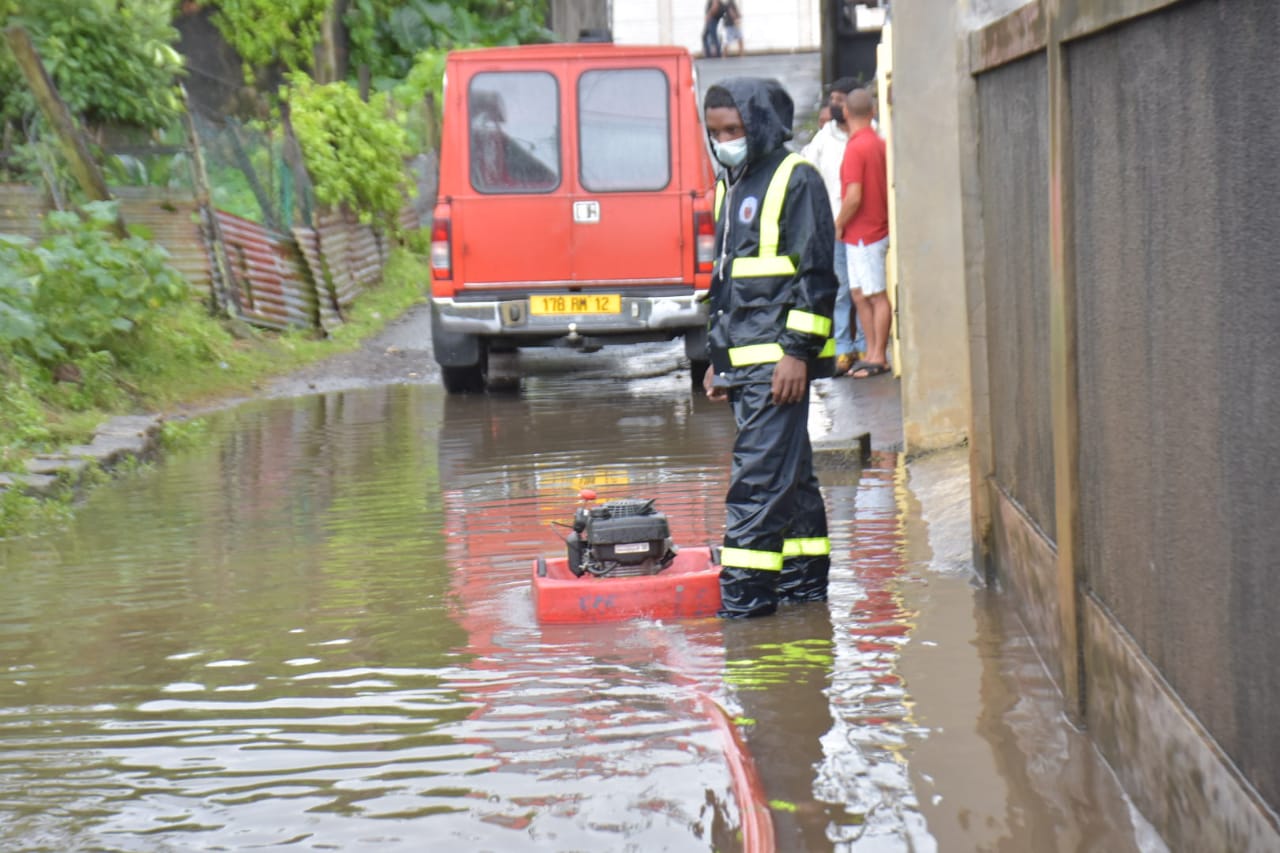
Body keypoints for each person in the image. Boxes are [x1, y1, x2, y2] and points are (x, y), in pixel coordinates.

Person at [701, 78, 837, 618]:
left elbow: (815, 272)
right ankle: (805, 597)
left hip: (778, 365)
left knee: (755, 486)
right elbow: (726, 284)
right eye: (714, 132)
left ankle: (743, 613)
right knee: (792, 482)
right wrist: (719, 361)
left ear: (759, 124)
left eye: (732, 130)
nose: (723, 140)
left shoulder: (794, 177)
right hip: (746, 365)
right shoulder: (730, 183)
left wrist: (797, 352)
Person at [801, 77, 865, 376]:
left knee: (863, 290)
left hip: (863, 227)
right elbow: (806, 169)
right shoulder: (824, 139)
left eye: (840, 100)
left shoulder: (867, 135)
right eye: (833, 100)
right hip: (835, 228)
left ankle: (864, 345)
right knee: (840, 290)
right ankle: (843, 350)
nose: (834, 106)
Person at [835, 88, 891, 379]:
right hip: (869, 230)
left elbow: (854, 196)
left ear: (845, 112)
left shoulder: (856, 148)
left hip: (864, 232)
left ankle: (878, 355)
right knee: (860, 294)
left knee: (875, 295)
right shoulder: (878, 143)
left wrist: (838, 223)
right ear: (873, 112)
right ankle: (871, 353)